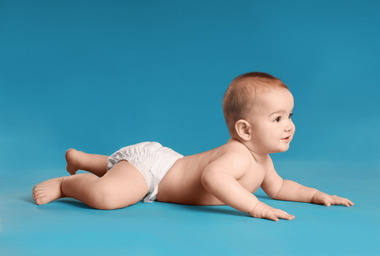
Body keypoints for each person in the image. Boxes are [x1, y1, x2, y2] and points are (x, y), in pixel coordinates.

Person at [33, 72, 354, 221]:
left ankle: (84, 159)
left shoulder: (263, 161)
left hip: (168, 164)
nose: (290, 125)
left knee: (120, 170)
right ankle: (67, 183)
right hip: (155, 173)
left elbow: (281, 187)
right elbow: (213, 179)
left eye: (290, 116)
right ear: (244, 129)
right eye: (278, 118)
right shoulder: (236, 155)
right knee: (107, 196)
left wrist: (315, 195)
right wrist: (254, 207)